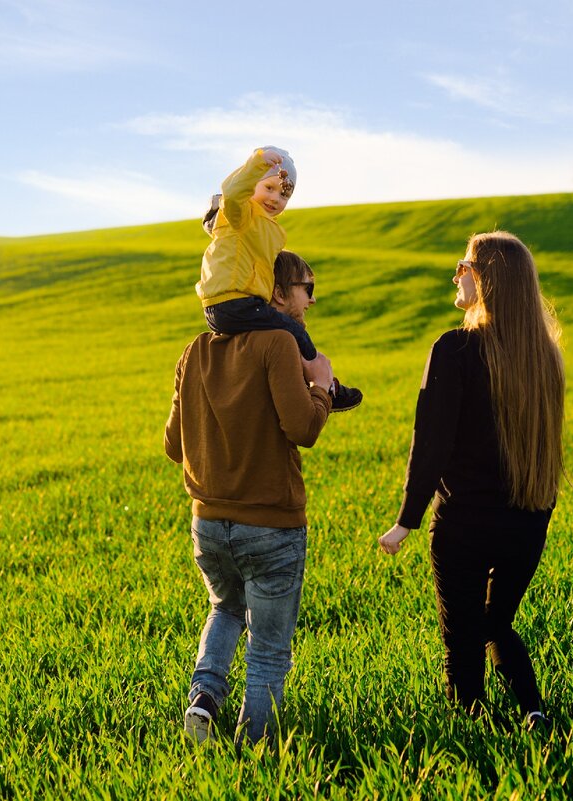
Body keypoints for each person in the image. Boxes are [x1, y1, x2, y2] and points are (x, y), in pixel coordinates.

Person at [377, 231, 564, 732]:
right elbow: (548, 450)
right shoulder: (544, 356)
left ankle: (475, 741)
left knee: (463, 640)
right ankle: (533, 711)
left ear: (487, 278)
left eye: (463, 265)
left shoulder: (454, 348)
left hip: (462, 526)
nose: (456, 274)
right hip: (527, 525)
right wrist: (537, 517)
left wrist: (406, 521)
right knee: (496, 622)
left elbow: (431, 441)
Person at [166, 250, 334, 746]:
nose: (310, 300)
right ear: (276, 292)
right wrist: (322, 389)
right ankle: (254, 750)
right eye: (306, 287)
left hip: (208, 524)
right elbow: (303, 428)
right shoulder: (279, 343)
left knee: (224, 608)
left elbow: (173, 446)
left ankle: (204, 699)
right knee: (268, 650)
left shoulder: (195, 350)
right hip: (272, 525)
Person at [197, 146, 362, 412]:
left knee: (278, 336)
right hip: (235, 302)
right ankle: (326, 386)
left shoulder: (263, 229)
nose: (276, 198)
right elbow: (233, 192)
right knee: (295, 332)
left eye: (284, 193)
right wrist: (257, 163)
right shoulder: (241, 216)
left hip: (229, 304)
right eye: (269, 187)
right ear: (252, 186)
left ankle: (320, 385)